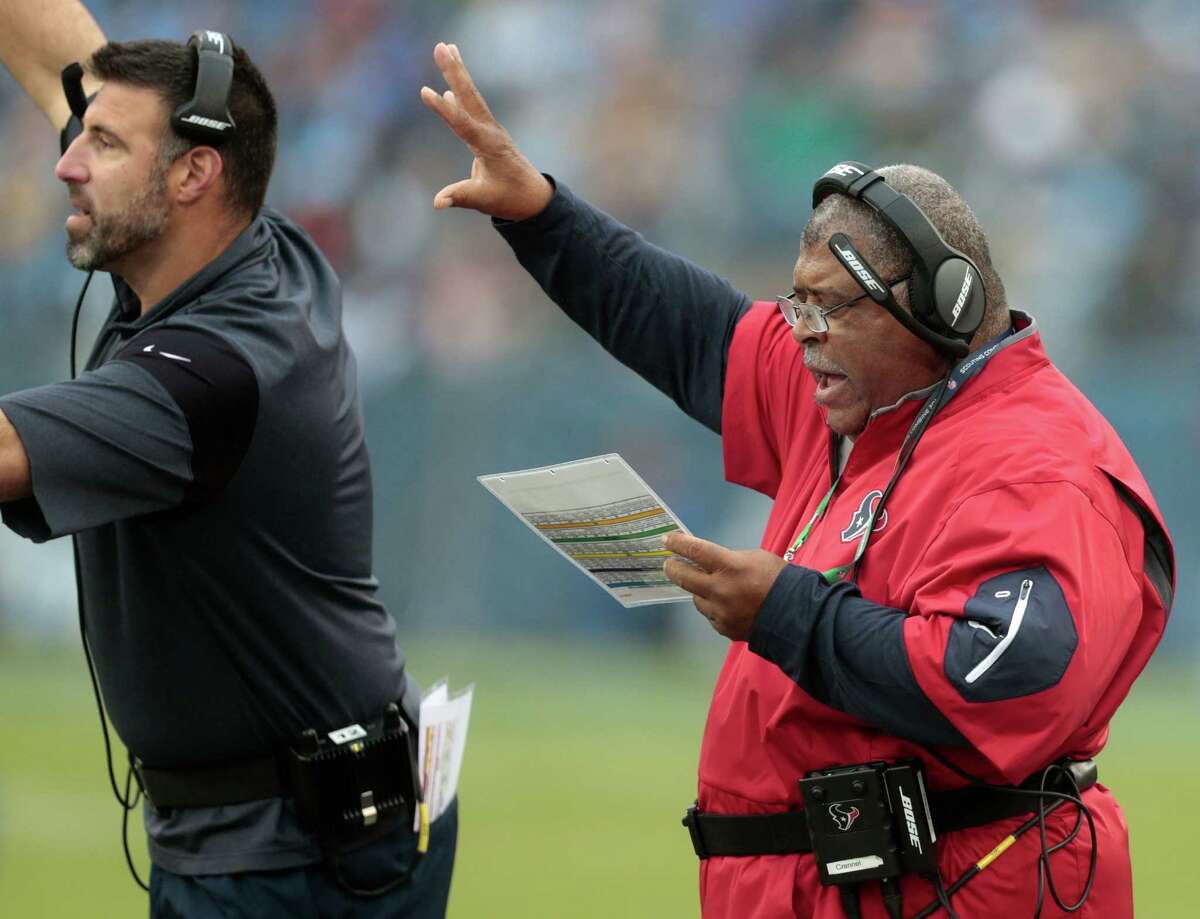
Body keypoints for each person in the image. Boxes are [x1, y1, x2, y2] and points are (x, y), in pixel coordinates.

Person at [420, 42, 1173, 919]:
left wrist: (786, 612)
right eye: (796, 303)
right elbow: (691, 329)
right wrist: (541, 215)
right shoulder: (864, 397)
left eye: (828, 306)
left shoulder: (1041, 462)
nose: (803, 330)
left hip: (961, 889)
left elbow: (1007, 677)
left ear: (943, 306)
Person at [0, 3, 456, 916]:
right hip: (303, 817)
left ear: (194, 174)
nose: (67, 163)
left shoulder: (213, 372)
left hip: (297, 852)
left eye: (102, 146)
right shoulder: (246, 242)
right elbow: (62, 52)